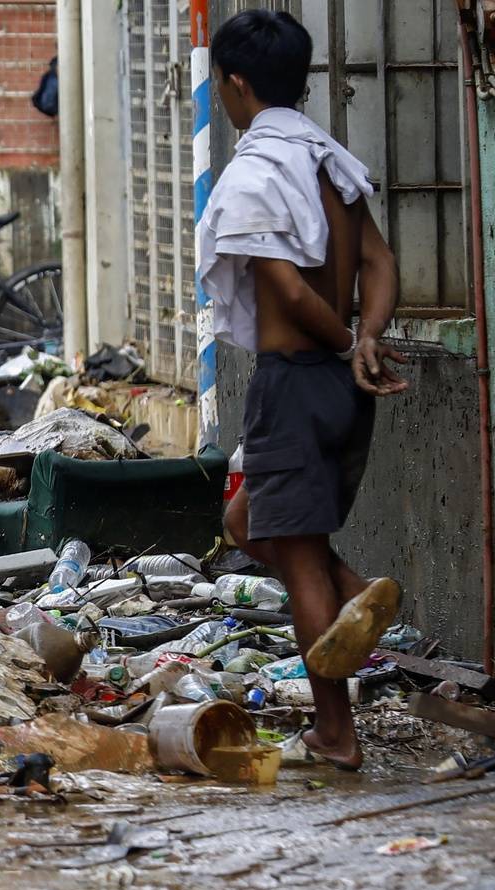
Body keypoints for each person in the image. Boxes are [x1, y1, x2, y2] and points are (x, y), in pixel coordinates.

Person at [199, 9, 410, 770]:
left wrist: (347, 343)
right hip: (341, 384)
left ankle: (334, 732)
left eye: (222, 85)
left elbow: (285, 292)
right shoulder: (331, 162)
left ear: (237, 84)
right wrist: (367, 336)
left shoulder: (257, 175)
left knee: (297, 559)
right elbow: (382, 264)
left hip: (296, 380)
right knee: (245, 520)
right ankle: (358, 595)